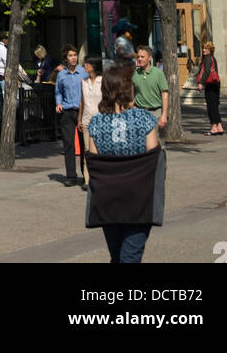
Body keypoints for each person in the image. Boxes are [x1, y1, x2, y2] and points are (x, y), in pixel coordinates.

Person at [87, 65, 160, 265]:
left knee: (117, 256)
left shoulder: (96, 123)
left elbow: (94, 162)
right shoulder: (145, 120)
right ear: (128, 90)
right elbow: (153, 159)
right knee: (130, 257)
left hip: (108, 199)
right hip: (138, 199)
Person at [55, 44, 87, 187]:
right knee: (68, 145)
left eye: (75, 55)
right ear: (66, 59)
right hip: (67, 112)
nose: (73, 58)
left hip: (82, 112)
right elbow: (58, 91)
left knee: (85, 144)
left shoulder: (84, 72)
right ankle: (71, 176)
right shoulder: (61, 75)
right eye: (70, 56)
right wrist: (58, 103)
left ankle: (86, 175)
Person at [77, 56, 103, 188]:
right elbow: (82, 101)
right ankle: (88, 180)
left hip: (101, 120)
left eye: (88, 63)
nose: (85, 65)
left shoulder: (102, 81)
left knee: (100, 150)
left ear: (94, 66)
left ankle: (101, 177)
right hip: (87, 120)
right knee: (87, 151)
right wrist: (79, 118)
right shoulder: (83, 81)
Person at [131, 46, 168, 133]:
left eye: (142, 57)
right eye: (138, 57)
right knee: (140, 142)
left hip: (156, 112)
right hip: (139, 112)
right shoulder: (135, 73)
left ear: (150, 58)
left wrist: (164, 114)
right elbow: (131, 92)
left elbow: (164, 94)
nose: (139, 59)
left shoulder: (158, 73)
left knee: (157, 143)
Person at [196, 41, 224, 135]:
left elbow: (207, 71)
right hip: (216, 83)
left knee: (211, 106)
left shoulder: (208, 58)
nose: (204, 50)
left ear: (210, 50)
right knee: (215, 105)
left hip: (210, 84)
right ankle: (219, 126)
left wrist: (201, 82)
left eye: (206, 49)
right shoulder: (212, 58)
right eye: (203, 48)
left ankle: (214, 127)